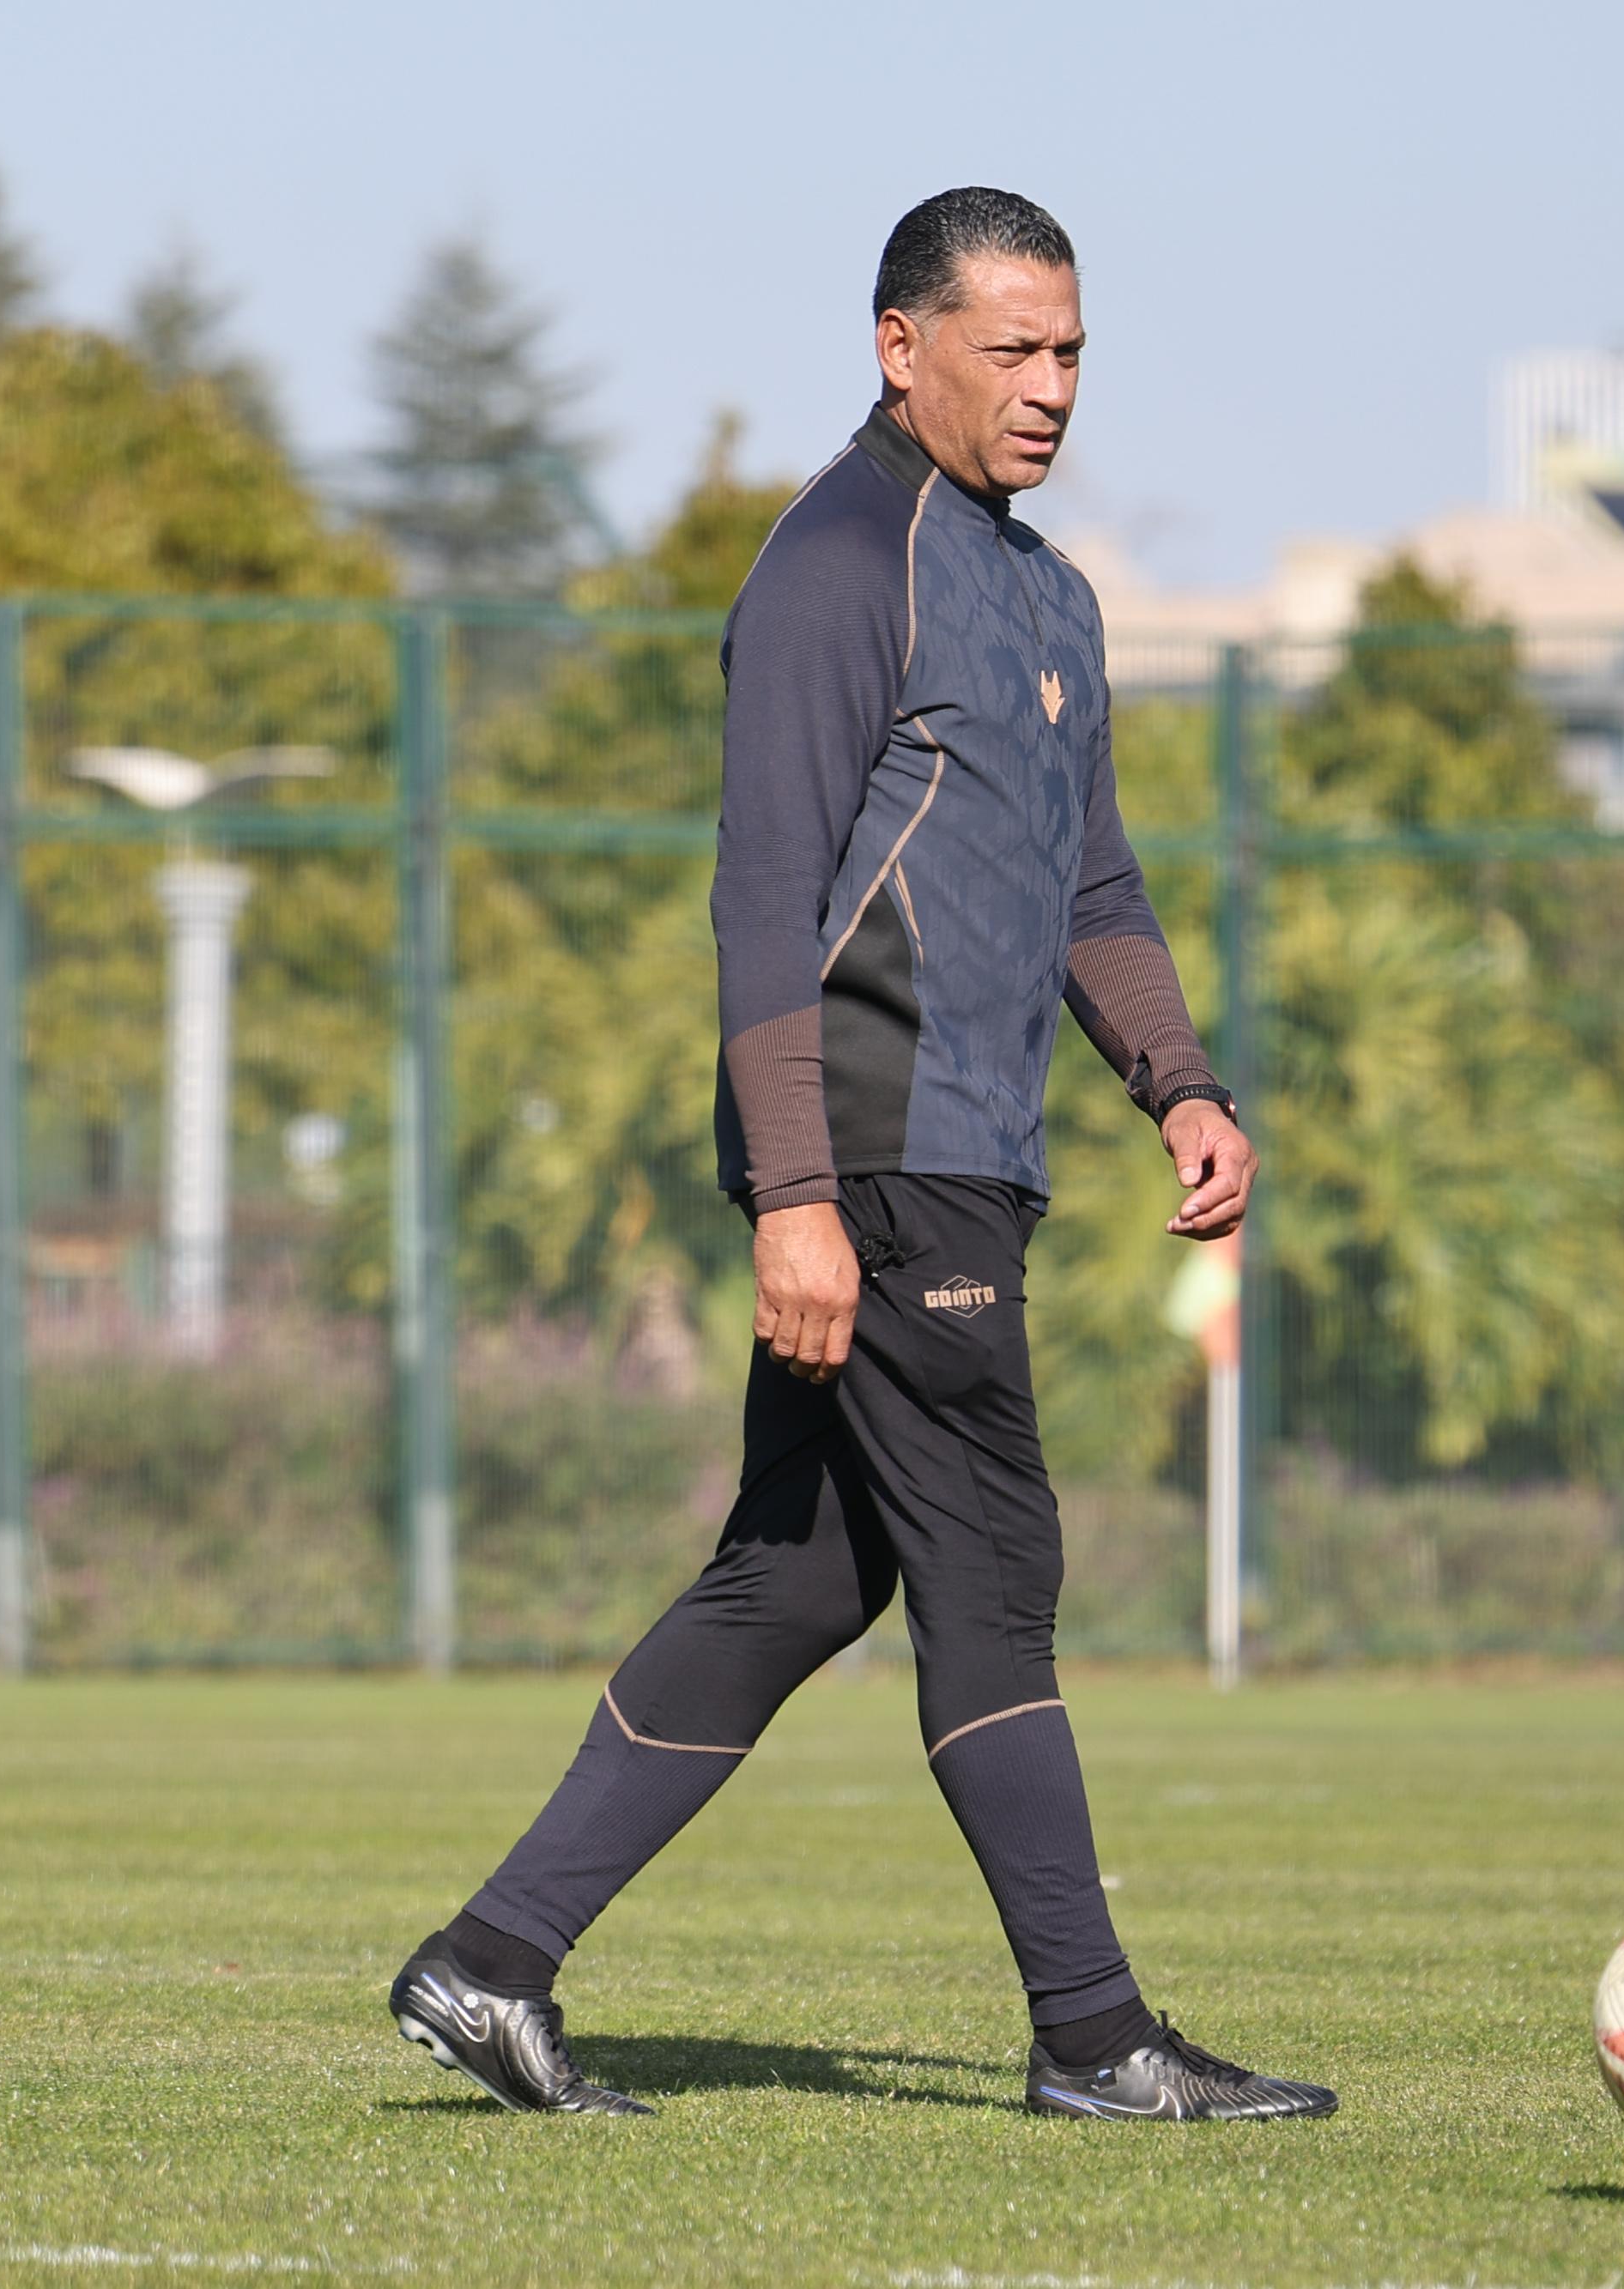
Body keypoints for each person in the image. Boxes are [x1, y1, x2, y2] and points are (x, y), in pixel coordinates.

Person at [386, 188, 1333, 2127]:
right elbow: (764, 899)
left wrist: (1180, 1079)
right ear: (903, 348)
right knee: (993, 1564)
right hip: (881, 1155)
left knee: (799, 1579)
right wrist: (797, 1196)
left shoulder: (1048, 596)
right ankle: (1094, 2038)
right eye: (1013, 348)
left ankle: (490, 1964)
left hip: (966, 1161)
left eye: (1072, 351)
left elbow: (1092, 883)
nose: (1051, 386)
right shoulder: (839, 561)